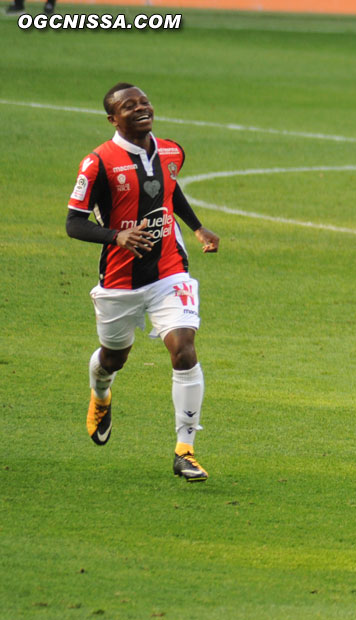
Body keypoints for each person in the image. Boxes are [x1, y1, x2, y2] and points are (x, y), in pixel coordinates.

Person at [66, 82, 219, 482]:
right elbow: (73, 223)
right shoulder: (98, 162)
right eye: (128, 106)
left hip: (170, 269)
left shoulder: (171, 151)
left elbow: (170, 189)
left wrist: (198, 228)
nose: (140, 108)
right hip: (120, 279)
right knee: (114, 357)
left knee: (184, 348)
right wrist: (115, 235)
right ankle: (101, 395)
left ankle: (185, 450)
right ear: (112, 118)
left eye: (144, 101)